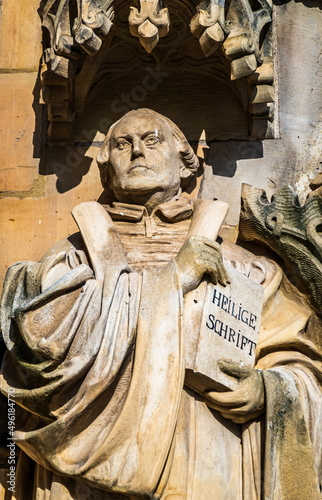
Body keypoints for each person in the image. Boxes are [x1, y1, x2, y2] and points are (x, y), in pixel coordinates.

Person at [0, 109, 321, 499]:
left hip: (209, 460)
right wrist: (174, 279)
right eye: (122, 144)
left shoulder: (244, 267)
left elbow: (302, 368)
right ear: (107, 169)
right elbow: (41, 346)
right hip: (94, 469)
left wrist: (264, 391)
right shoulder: (70, 261)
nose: (137, 151)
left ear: (185, 163)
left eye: (152, 141)